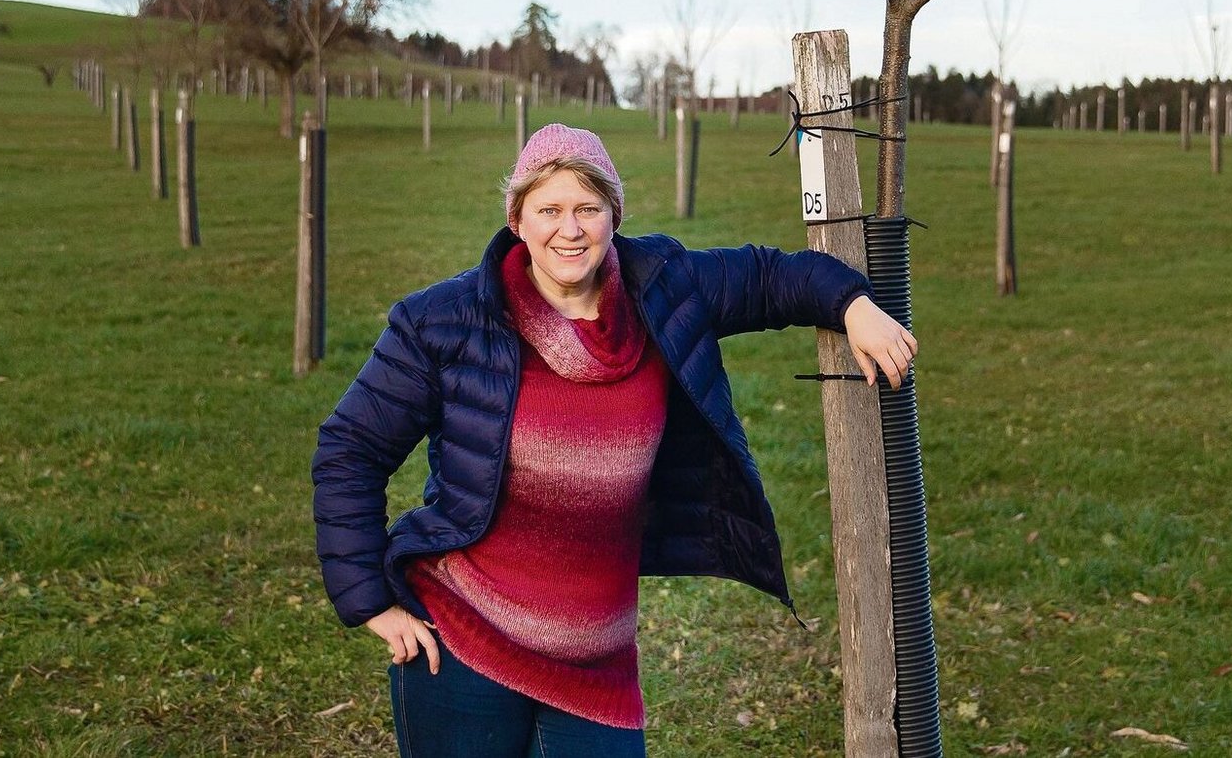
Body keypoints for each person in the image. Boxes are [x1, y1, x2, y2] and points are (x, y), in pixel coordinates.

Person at [312, 123, 918, 757]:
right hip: (463, 643)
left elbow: (770, 277)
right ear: (517, 219)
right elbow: (350, 450)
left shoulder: (664, 289)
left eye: (587, 208)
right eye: (548, 209)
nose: (569, 229)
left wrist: (853, 305)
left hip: (598, 664)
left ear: (614, 215)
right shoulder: (445, 320)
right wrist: (368, 600)